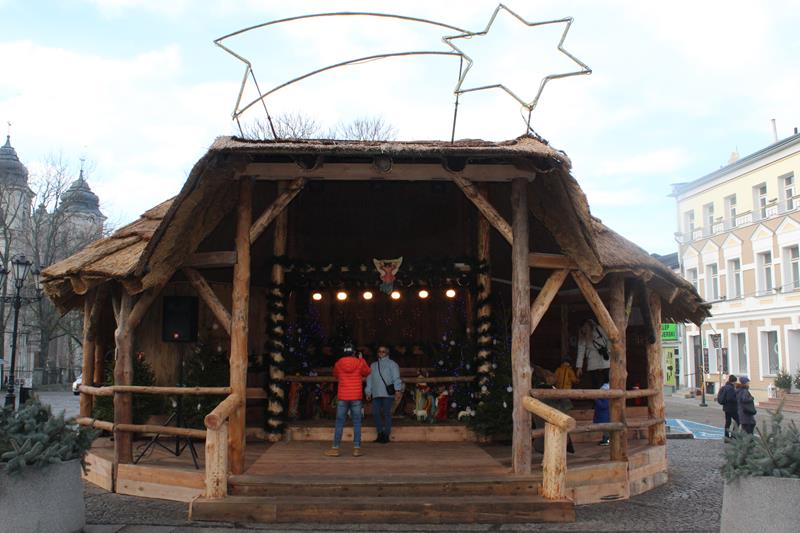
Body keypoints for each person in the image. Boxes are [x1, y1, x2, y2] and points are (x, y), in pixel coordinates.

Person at [325, 343, 371, 457]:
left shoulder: (338, 363)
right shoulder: (359, 362)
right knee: (357, 422)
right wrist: (362, 359)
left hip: (343, 397)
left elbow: (336, 375)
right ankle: (357, 449)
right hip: (356, 397)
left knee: (339, 422)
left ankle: (335, 448)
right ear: (354, 352)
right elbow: (367, 372)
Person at [365, 344, 403, 443]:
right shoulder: (373, 365)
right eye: (379, 351)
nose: (381, 353)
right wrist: (368, 392)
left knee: (387, 414)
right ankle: (380, 433)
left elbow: (396, 378)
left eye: (383, 351)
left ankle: (386, 435)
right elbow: (369, 379)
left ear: (387, 353)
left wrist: (397, 390)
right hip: (376, 393)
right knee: (375, 413)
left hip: (387, 394)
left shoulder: (392, 364)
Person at [576, 318, 611, 389]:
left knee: (607, 382)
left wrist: (608, 350)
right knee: (595, 385)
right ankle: (598, 396)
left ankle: (607, 396)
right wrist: (579, 367)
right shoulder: (582, 335)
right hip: (592, 362)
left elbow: (608, 339)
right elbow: (581, 351)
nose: (583, 330)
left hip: (604, 359)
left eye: (584, 328)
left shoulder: (599, 329)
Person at [717, 374, 739, 439]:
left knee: (728, 422)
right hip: (731, 408)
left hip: (726, 407)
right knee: (738, 420)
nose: (735, 383)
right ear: (733, 381)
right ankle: (733, 435)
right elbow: (730, 398)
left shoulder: (725, 387)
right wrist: (737, 399)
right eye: (735, 382)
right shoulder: (730, 388)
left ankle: (726, 436)